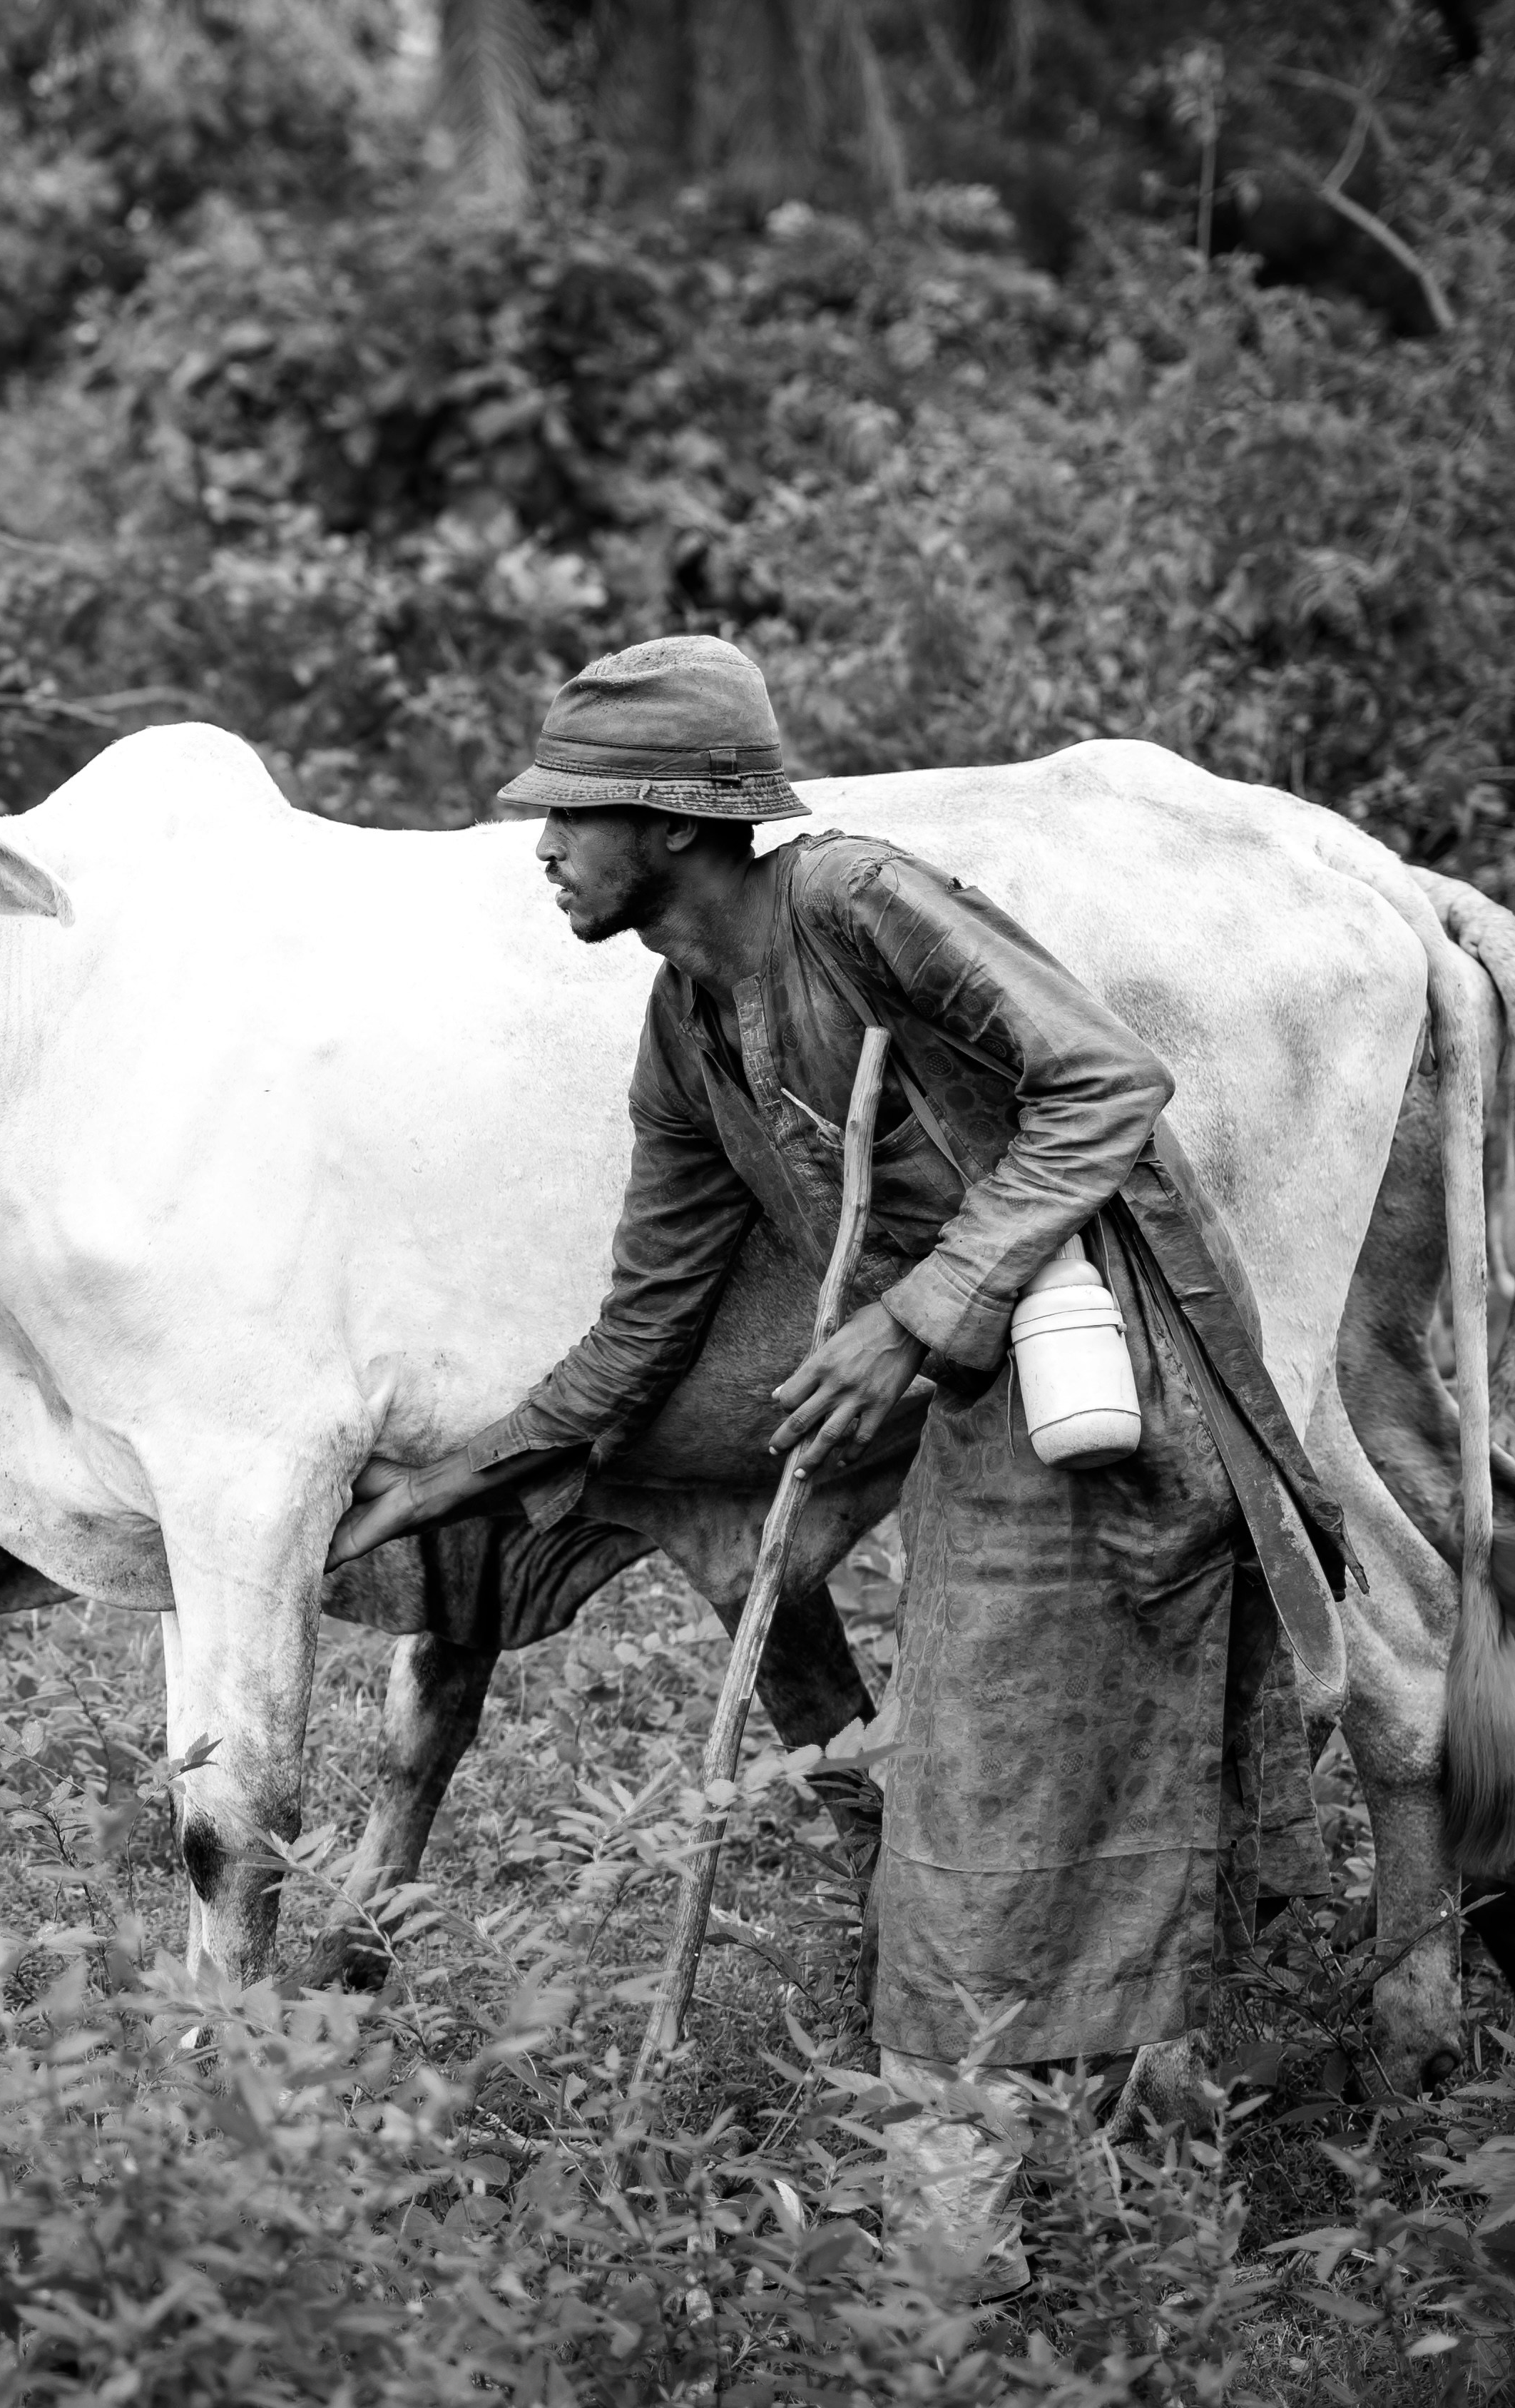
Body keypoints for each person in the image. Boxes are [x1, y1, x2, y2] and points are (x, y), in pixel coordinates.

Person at [329, 636, 1340, 2296]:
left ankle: (1006, 2254)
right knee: (1029, 1805)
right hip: (978, 1424)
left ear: (670, 820)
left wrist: (920, 1307)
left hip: (1109, 1391)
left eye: (569, 813)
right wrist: (461, 1479)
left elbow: (1104, 1082)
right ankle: (1113, 2221)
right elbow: (641, 1329)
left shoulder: (860, 897)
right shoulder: (686, 1023)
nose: (541, 848)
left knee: (987, 1812)